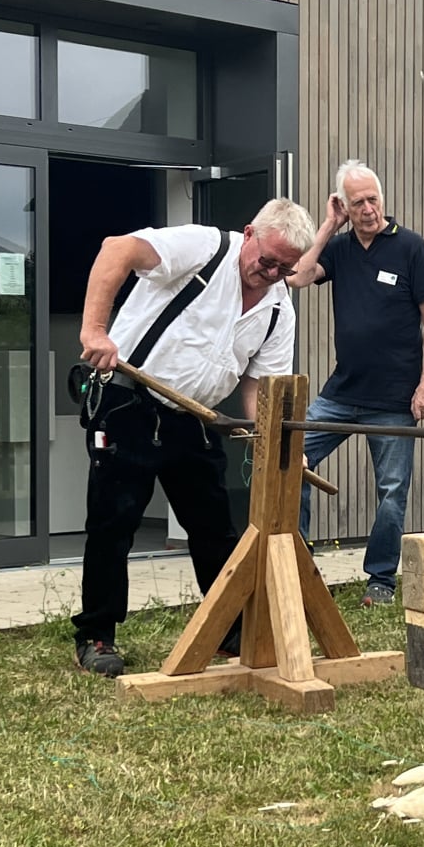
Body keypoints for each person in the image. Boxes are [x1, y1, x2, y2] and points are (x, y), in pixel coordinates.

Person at [73, 198, 324, 677]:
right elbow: (115, 250)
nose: (271, 273)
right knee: (114, 521)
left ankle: (227, 627)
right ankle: (97, 635)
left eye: (284, 268)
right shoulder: (203, 248)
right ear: (248, 234)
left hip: (194, 418)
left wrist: (274, 441)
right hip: (129, 402)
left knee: (214, 528)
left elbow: (260, 388)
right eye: (267, 260)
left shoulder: (278, 310)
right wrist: (95, 331)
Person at [291, 160, 424, 607]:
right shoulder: (339, 249)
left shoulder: (410, 246)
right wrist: (327, 226)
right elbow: (297, 276)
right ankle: (298, 569)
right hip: (342, 393)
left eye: (373, 199)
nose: (368, 209)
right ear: (345, 205)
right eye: (357, 203)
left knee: (392, 491)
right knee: (289, 459)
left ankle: (380, 580)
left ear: (382, 198)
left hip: (395, 399)